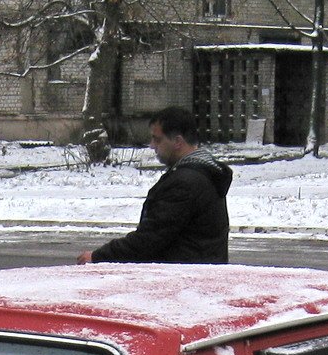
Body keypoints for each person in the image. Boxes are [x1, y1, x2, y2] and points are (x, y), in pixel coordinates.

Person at [78, 107, 232, 265]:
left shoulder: (186, 182)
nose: (152, 145)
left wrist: (98, 257)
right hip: (196, 275)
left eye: (157, 139)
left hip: (182, 279)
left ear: (178, 142)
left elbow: (149, 239)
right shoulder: (204, 173)